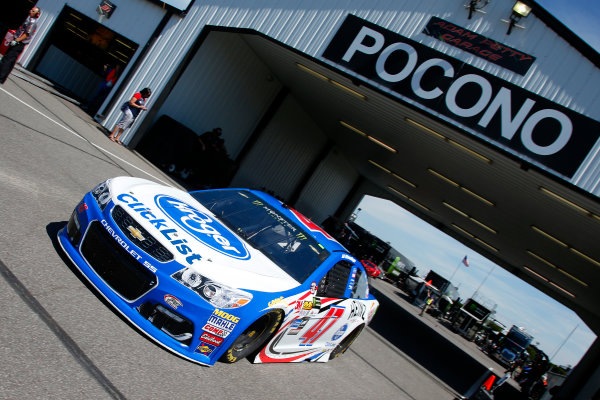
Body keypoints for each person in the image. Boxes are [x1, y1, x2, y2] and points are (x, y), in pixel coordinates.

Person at [0, 7, 41, 84]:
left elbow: (26, 34)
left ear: (37, 14)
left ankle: (1, 76)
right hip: (17, 42)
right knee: (9, 59)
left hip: (19, 43)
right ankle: (2, 77)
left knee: (7, 60)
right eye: (31, 9)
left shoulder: (32, 23)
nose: (30, 11)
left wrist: (16, 41)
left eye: (33, 11)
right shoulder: (29, 20)